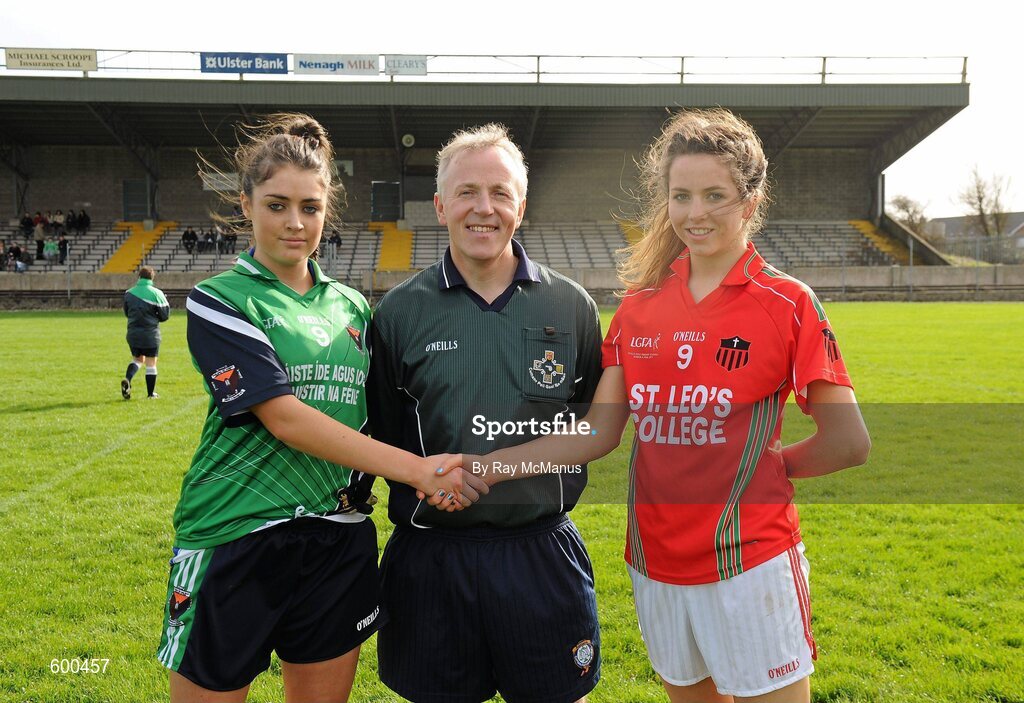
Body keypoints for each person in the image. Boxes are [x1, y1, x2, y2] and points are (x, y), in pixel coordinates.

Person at [477, 108, 871, 703]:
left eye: (716, 195)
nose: (696, 213)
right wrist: (491, 464)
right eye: (681, 195)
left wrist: (769, 470)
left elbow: (848, 441)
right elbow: (598, 432)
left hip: (751, 563)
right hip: (654, 561)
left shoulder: (788, 304)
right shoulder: (638, 309)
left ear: (751, 201)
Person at [157, 113, 485, 703]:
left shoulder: (355, 307)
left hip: (339, 538)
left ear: (326, 208)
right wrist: (417, 471)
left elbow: (386, 414)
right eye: (277, 205)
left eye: (309, 207)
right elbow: (283, 417)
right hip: (236, 534)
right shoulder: (220, 300)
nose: (294, 223)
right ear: (246, 204)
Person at [368, 123, 604, 703]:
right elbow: (382, 438)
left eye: (500, 192)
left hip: (540, 553)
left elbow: (594, 428)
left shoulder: (571, 306)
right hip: (432, 558)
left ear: (521, 205)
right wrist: (426, 477)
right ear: (440, 204)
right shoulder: (398, 313)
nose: (484, 208)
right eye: (468, 191)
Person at [122, 266, 170, 400]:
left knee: (137, 359)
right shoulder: (157, 293)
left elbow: (127, 313)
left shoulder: (128, 293)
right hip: (150, 334)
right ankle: (150, 394)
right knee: (151, 363)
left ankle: (127, 379)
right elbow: (165, 315)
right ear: (152, 278)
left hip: (132, 333)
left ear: (139, 277)